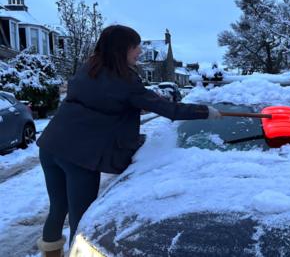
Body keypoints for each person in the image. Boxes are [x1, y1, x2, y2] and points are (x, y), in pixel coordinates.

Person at [35, 25, 222, 257]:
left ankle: (50, 254)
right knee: (81, 217)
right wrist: (205, 112)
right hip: (80, 157)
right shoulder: (124, 81)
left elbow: (99, 102)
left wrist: (128, 107)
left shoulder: (89, 68)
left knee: (58, 208)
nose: (140, 51)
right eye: (136, 46)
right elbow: (169, 109)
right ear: (121, 49)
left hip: (51, 146)